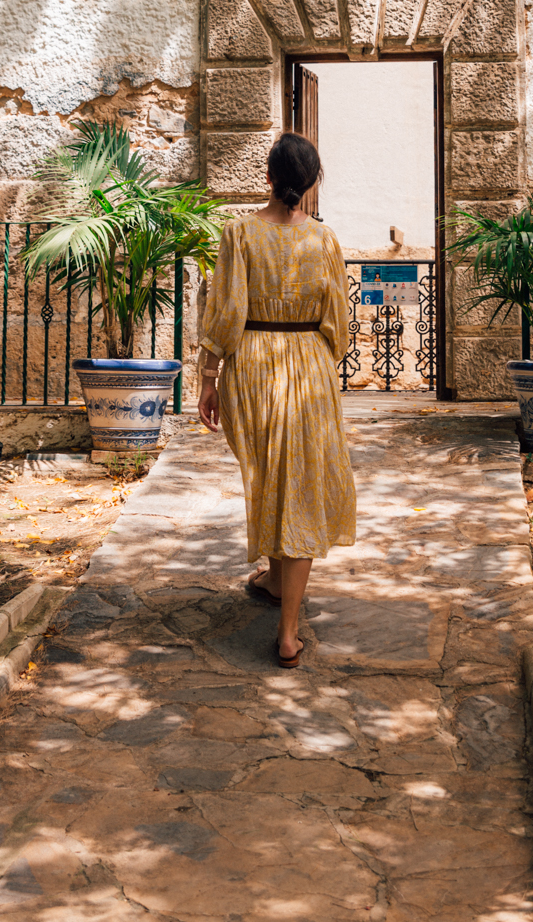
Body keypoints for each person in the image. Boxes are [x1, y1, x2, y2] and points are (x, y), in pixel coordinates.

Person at [196, 131, 356, 667]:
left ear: (268, 176)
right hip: (307, 361)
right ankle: (286, 625)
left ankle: (279, 594)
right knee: (302, 481)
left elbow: (225, 310)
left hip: (254, 363)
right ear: (312, 183)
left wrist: (209, 376)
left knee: (270, 475)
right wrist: (315, 353)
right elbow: (338, 324)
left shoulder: (239, 233)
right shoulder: (326, 240)